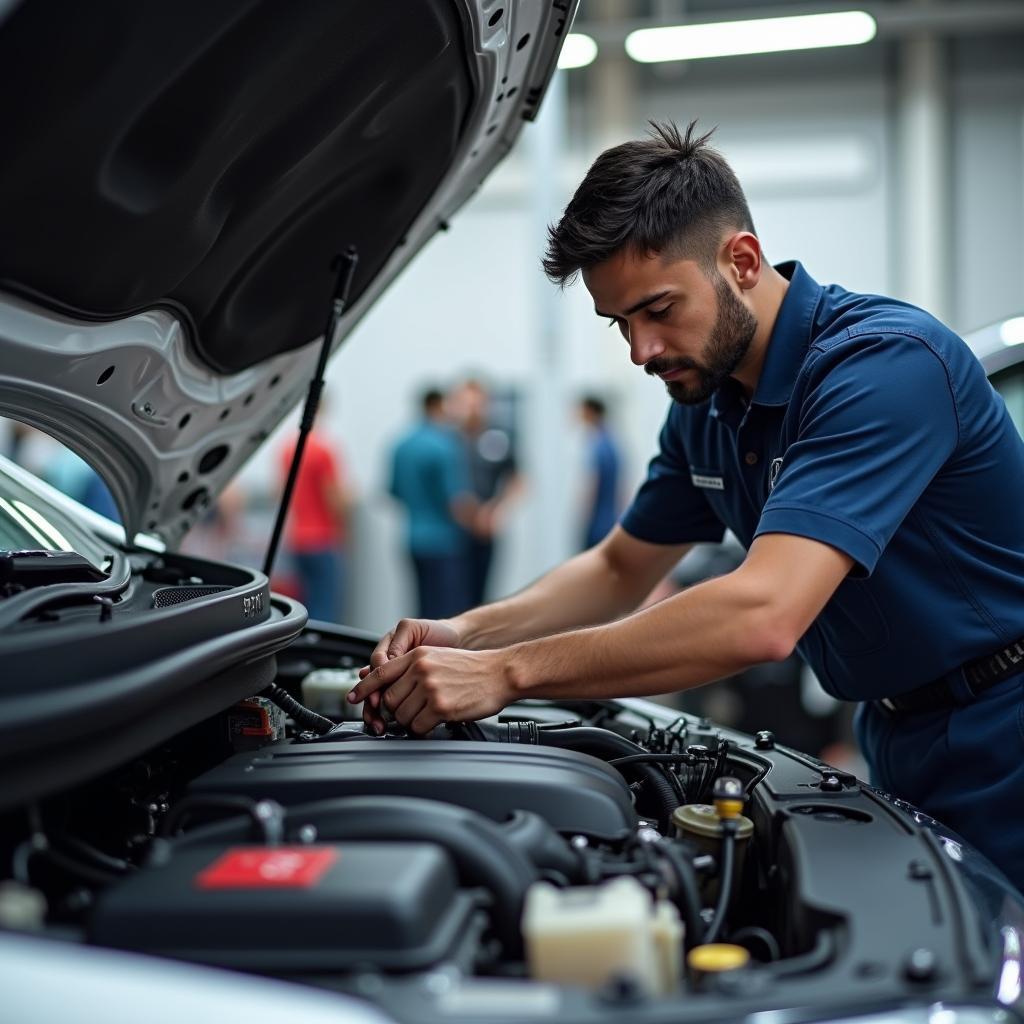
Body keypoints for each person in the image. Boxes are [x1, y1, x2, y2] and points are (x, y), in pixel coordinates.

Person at [352, 121, 1024, 892]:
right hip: (898, 726)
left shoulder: (882, 367)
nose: (641, 351)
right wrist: (467, 632)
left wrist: (505, 673)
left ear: (740, 260)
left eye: (659, 309)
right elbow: (619, 566)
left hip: (1005, 726)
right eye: (621, 324)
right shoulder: (705, 404)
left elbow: (761, 614)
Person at [389, 388, 477, 619]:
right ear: (438, 406)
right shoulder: (444, 445)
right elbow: (455, 502)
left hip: (414, 538)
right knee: (447, 615)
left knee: (423, 610)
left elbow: (394, 491)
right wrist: (477, 523)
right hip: (444, 542)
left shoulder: (401, 445)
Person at [450, 378, 523, 606]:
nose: (472, 409)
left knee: (480, 595)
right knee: (450, 594)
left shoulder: (498, 435)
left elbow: (518, 478)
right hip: (453, 530)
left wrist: (498, 509)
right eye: (466, 403)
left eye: (477, 403)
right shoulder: (448, 437)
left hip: (486, 527)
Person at [279, 411, 352, 622]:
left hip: (297, 538)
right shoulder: (323, 450)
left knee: (304, 607)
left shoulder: (287, 449)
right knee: (325, 609)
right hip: (322, 539)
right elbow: (334, 500)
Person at [577, 395, 621, 550]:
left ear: (591, 411)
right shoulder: (612, 441)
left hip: (597, 521)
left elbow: (593, 484)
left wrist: (583, 516)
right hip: (610, 518)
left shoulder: (599, 445)